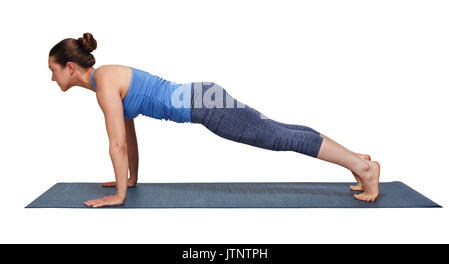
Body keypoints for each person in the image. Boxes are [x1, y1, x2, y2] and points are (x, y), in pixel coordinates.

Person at [48, 33, 380, 208]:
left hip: (205, 106)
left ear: (70, 67)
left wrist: (119, 196)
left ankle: (364, 168)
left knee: (280, 138)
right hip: (204, 97)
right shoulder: (104, 80)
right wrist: (130, 180)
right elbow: (129, 136)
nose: (53, 78)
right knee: (280, 131)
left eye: (54, 70)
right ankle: (355, 160)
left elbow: (117, 143)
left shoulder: (104, 84)